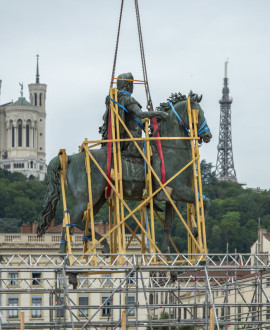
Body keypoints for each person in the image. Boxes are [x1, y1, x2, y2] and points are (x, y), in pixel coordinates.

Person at [99, 72, 168, 157]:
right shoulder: (128, 99)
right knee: (151, 155)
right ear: (128, 85)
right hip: (132, 140)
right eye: (132, 85)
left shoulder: (115, 99)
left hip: (120, 138)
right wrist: (158, 113)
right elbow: (140, 114)